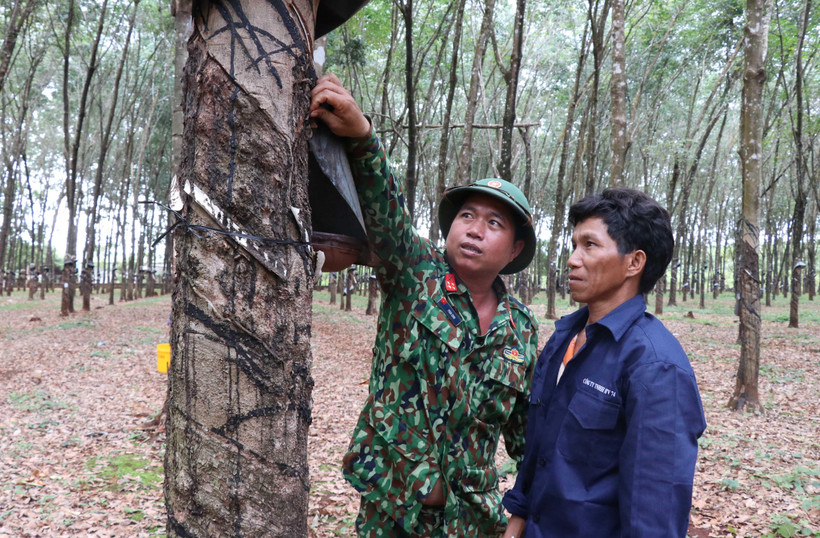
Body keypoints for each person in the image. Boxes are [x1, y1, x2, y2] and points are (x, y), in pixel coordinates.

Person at [310, 73, 539, 537]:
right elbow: (386, 211)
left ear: (514, 250)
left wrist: (524, 515)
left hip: (472, 523)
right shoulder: (416, 272)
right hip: (392, 511)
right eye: (467, 215)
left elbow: (528, 439)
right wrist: (363, 139)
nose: (474, 229)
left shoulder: (520, 329)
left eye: (494, 223)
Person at [502, 188, 706, 537]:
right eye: (574, 244)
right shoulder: (563, 338)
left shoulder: (656, 367)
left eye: (590, 245)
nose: (572, 259)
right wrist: (516, 523)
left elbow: (653, 515)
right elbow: (538, 455)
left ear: (634, 263)